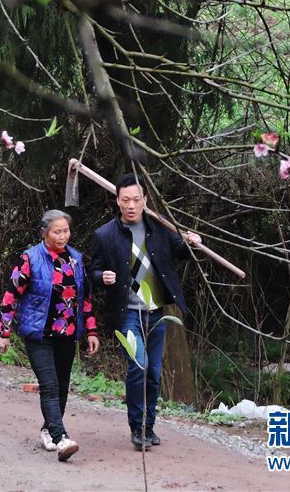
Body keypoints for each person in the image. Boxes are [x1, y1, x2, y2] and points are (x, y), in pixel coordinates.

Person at [91, 173, 201, 451]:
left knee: (153, 372)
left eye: (136, 200)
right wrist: (100, 276)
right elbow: (91, 270)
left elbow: (181, 251)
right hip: (127, 312)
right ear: (117, 201)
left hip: (156, 312)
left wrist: (191, 241)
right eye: (125, 200)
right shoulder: (105, 235)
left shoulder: (159, 227)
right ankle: (137, 427)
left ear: (145, 200)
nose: (131, 205)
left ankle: (149, 426)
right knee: (138, 365)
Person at [0, 209, 99, 461]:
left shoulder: (76, 259)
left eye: (66, 231)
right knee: (50, 385)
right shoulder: (30, 258)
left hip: (68, 333)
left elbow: (85, 300)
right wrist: (4, 332)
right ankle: (61, 437)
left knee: (62, 386)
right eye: (57, 231)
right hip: (38, 334)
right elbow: (12, 294)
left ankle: (47, 429)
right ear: (44, 232)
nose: (63, 236)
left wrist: (92, 331)